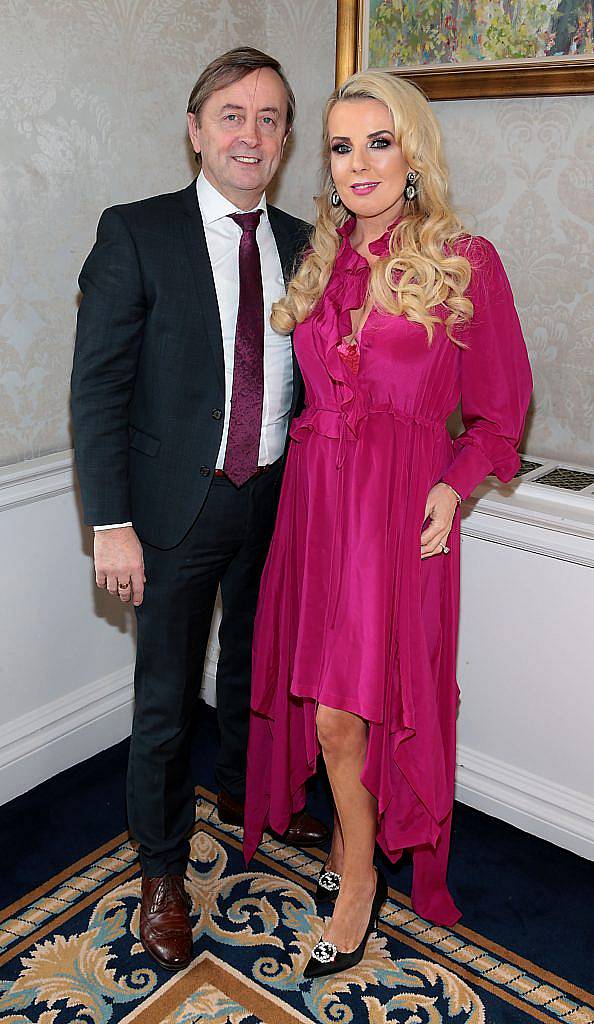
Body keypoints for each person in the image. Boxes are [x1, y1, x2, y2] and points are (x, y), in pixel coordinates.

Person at [243, 69, 533, 978]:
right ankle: (347, 843)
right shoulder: (319, 259)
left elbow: (499, 413)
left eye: (379, 141)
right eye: (340, 145)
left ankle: (359, 877)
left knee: (350, 711)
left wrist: (453, 487)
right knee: (334, 706)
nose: (360, 161)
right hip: (318, 506)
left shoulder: (466, 259)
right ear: (324, 166)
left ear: (413, 154)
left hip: (399, 517)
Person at [70, 47, 328, 973]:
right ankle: (163, 871)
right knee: (167, 701)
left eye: (268, 119)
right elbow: (97, 391)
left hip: (273, 503)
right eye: (231, 115)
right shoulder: (136, 232)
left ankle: (248, 798)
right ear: (195, 130)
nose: (249, 135)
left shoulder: (305, 242)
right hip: (171, 513)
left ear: (286, 138)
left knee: (261, 674)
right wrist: (110, 524)